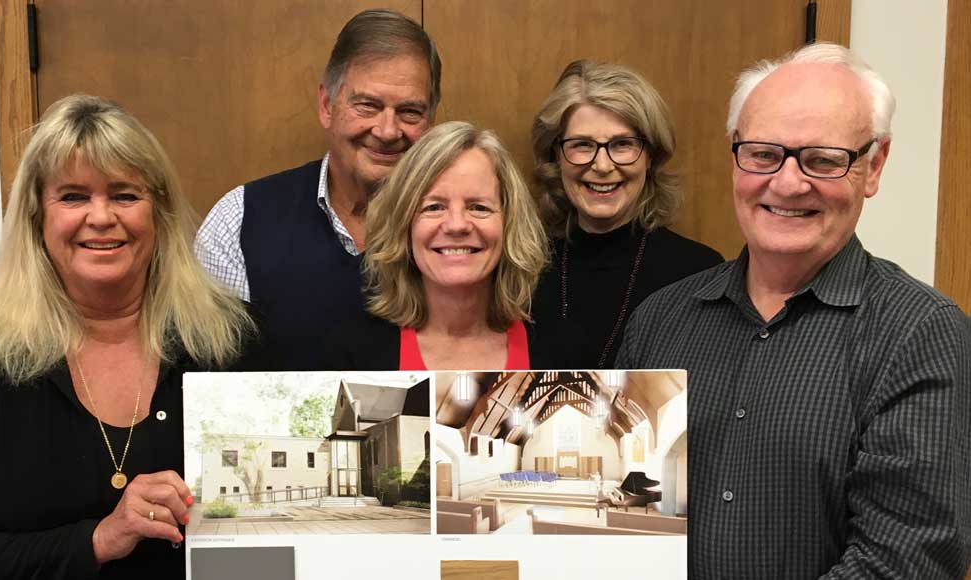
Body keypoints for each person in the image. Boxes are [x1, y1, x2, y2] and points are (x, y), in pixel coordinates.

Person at [617, 43, 970, 579]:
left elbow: (905, 560)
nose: (786, 183)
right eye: (763, 153)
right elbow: (629, 517)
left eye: (823, 160)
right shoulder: (660, 320)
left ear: (874, 166)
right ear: (735, 153)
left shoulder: (921, 334)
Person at [0, 95, 256, 578]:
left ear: (160, 214)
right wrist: (98, 540)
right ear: (35, 217)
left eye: (125, 195)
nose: (102, 216)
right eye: (73, 196)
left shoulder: (229, 342)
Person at [195, 9, 441, 369]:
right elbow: (206, 373)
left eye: (410, 112)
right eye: (367, 105)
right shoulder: (240, 220)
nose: (388, 131)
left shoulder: (460, 230)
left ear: (431, 121)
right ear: (327, 105)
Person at [530, 60, 722, 369]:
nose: (603, 166)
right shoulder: (522, 271)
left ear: (650, 156)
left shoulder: (701, 275)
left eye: (622, 144)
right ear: (556, 156)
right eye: (582, 145)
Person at [338, 121, 548, 370]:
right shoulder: (353, 350)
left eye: (478, 207)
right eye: (434, 207)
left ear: (509, 223)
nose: (456, 225)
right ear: (404, 226)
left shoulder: (554, 345)